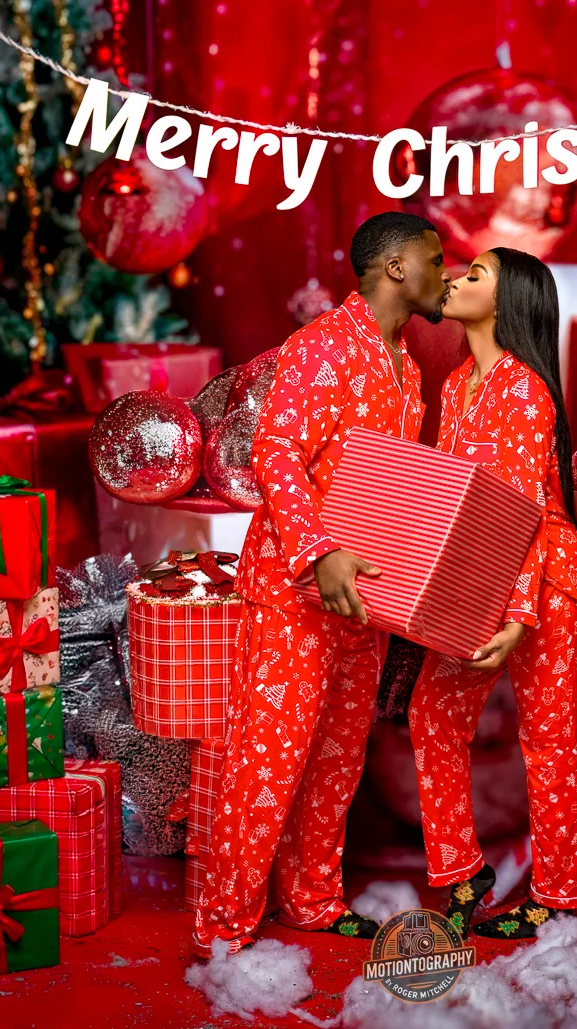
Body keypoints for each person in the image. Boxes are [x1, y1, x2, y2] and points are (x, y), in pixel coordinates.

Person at [194, 212, 451, 956]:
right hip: (295, 589)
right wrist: (318, 552)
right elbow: (274, 451)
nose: (447, 273)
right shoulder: (321, 347)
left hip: (362, 598)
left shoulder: (405, 363)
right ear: (398, 266)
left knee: (338, 758)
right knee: (269, 757)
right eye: (435, 260)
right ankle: (225, 926)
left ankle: (310, 897)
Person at [407, 247, 577, 940]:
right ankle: (461, 872)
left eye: (476, 274)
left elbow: (523, 507)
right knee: (433, 712)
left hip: (544, 580)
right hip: (481, 572)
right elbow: (459, 502)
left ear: (509, 298)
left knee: (549, 742)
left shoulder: (526, 389)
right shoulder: (457, 383)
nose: (456, 278)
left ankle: (557, 897)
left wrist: (518, 615)